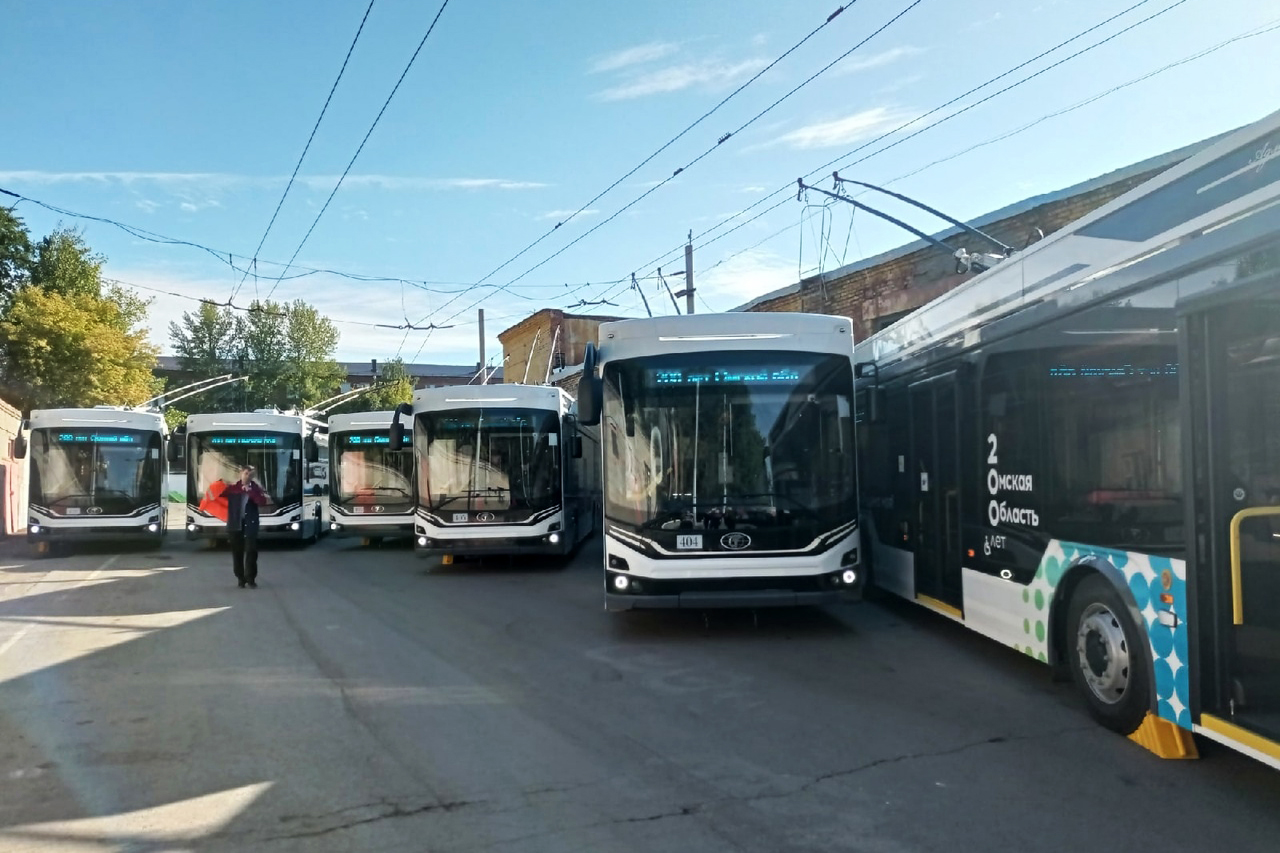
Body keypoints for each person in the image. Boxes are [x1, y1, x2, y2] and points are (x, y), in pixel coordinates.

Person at [224, 465, 267, 588]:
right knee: (237, 552)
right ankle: (240, 578)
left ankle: (251, 578)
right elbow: (220, 495)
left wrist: (250, 492)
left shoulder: (256, 488)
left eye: (251, 474)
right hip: (235, 523)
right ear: (241, 473)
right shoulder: (233, 488)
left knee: (251, 550)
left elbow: (262, 502)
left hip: (250, 524)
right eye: (246, 473)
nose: (248, 476)